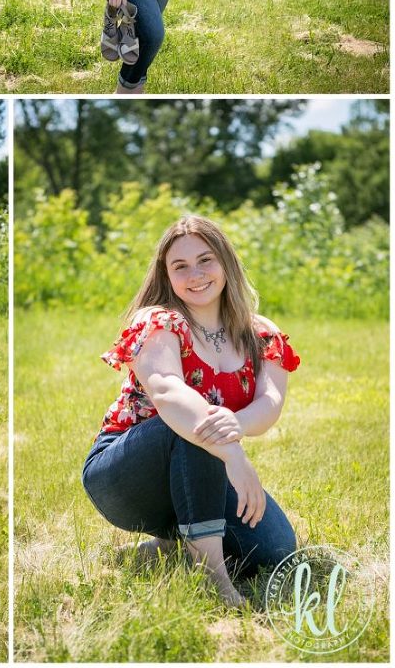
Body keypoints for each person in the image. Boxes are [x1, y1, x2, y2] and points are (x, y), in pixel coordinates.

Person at [81, 216, 300, 606]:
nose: (195, 274)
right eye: (180, 266)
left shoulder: (260, 334)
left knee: (277, 549)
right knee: (193, 422)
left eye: (205, 260)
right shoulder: (159, 321)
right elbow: (167, 391)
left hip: (203, 470)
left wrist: (234, 423)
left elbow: (271, 403)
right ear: (167, 275)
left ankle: (170, 545)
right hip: (124, 474)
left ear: (226, 263)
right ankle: (214, 582)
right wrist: (231, 449)